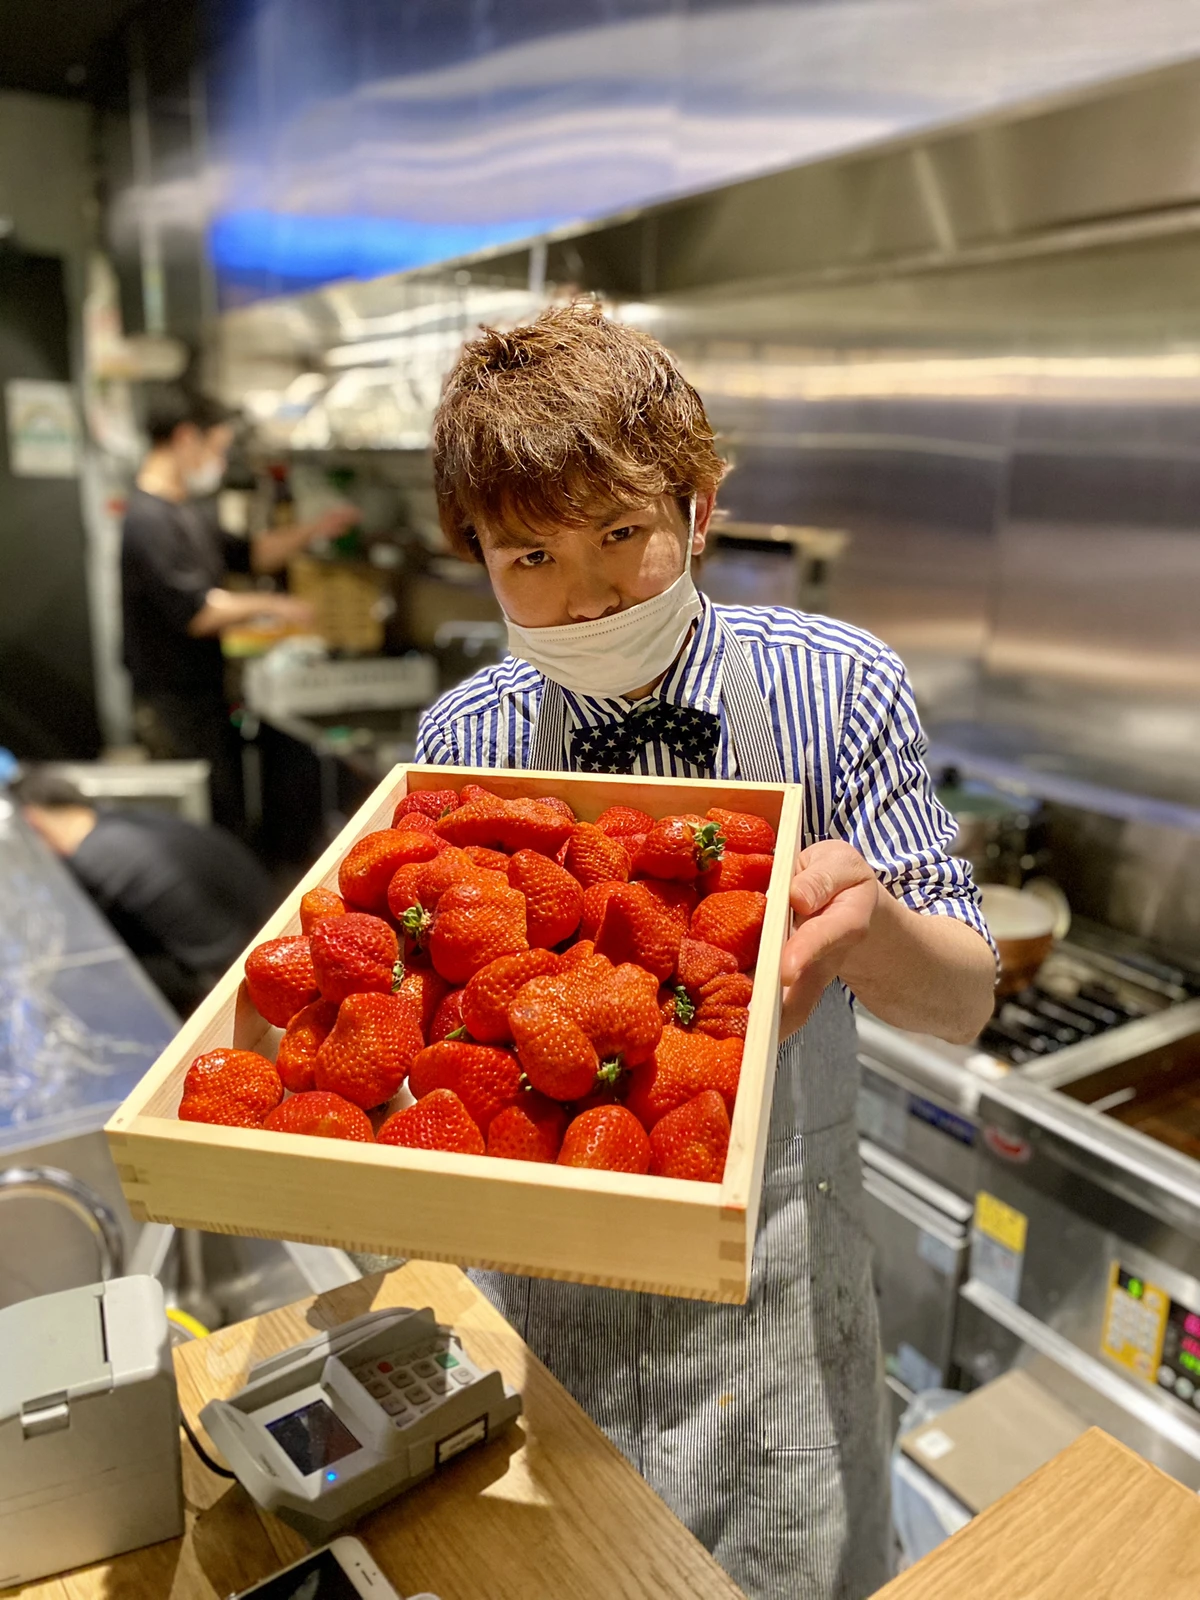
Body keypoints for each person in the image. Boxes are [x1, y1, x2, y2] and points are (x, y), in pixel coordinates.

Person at [415, 303, 997, 1600]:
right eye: (530, 556)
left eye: (622, 533)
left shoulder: (838, 686)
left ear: (699, 508)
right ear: (477, 557)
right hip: (543, 1300)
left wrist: (867, 927)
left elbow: (963, 1001)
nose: (587, 594)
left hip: (779, 1299)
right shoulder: (464, 730)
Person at [121, 386, 358, 834]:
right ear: (186, 438)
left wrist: (317, 528)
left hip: (203, 691)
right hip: (172, 700)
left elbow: (252, 554)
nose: (220, 462)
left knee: (225, 808)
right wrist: (275, 604)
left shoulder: (187, 511)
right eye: (219, 449)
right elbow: (197, 611)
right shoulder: (148, 520)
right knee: (205, 820)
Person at [14, 768, 277, 1017]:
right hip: (262, 930)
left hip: (224, 977)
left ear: (31, 820)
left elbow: (79, 952)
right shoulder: (121, 820)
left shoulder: (93, 859)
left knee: (75, 983)